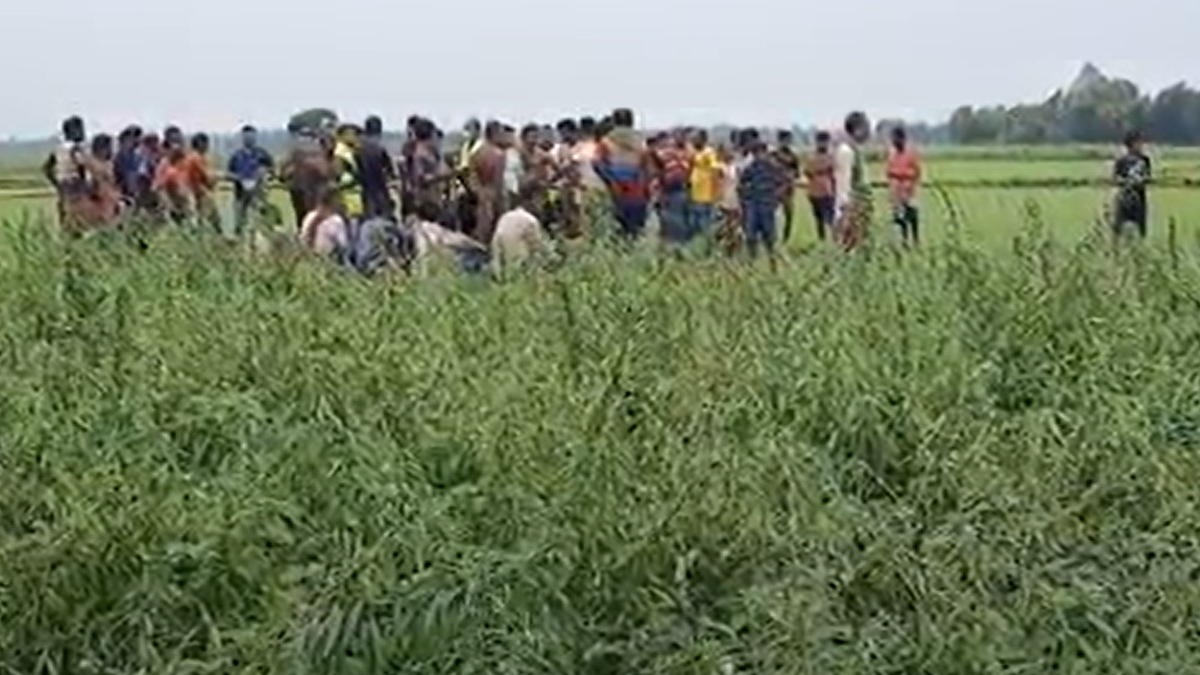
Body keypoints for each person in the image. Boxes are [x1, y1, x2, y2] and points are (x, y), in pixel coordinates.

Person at [595, 107, 655, 241]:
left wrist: (612, 181)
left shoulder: (606, 142)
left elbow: (598, 164)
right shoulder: (641, 142)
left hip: (614, 193)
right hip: (637, 192)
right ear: (632, 122)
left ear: (614, 122)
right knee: (636, 232)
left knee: (617, 232)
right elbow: (648, 169)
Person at [493, 183, 554, 275]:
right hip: (522, 271)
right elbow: (540, 252)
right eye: (542, 199)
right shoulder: (530, 221)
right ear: (535, 198)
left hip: (503, 271)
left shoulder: (505, 217)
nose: (543, 204)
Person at [738, 139, 783, 262]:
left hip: (767, 205)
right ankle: (752, 261)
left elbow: (783, 183)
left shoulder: (773, 167)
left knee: (769, 237)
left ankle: (772, 262)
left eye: (761, 152)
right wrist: (745, 199)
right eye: (756, 153)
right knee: (751, 236)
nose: (759, 156)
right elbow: (741, 185)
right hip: (753, 205)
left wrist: (776, 198)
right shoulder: (750, 168)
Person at [42, 115, 89, 234]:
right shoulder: (77, 149)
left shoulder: (58, 149)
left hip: (64, 189)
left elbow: (46, 169)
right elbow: (82, 167)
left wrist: (57, 184)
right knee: (79, 224)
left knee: (66, 223)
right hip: (76, 189)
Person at [833, 111, 872, 250]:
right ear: (858, 129)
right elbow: (844, 184)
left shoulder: (856, 150)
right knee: (849, 246)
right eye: (867, 127)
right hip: (851, 209)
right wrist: (846, 213)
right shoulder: (846, 151)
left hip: (859, 207)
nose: (869, 132)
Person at [227, 125, 274, 235]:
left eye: (251, 136)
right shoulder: (236, 156)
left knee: (260, 217)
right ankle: (239, 237)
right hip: (240, 193)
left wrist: (263, 174)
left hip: (258, 192)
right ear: (242, 138)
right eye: (246, 136)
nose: (249, 138)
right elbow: (229, 173)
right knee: (240, 219)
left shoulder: (262, 154)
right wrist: (238, 178)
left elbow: (272, 170)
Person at [468, 120, 508, 245]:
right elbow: (498, 181)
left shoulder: (477, 152)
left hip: (480, 193)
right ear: (495, 134)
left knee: (481, 228)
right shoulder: (498, 155)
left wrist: (478, 192)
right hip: (493, 193)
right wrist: (501, 200)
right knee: (494, 229)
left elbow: (471, 177)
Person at [652, 133, 692, 246]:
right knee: (674, 223)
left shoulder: (673, 156)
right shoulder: (682, 157)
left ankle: (675, 247)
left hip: (673, 192)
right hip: (673, 192)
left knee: (674, 224)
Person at [1112, 129, 1151, 240]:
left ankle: (1140, 245)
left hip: (1139, 196)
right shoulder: (1122, 160)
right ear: (1131, 143)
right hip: (1124, 196)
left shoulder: (1144, 160)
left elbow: (1147, 175)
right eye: (1138, 142)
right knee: (1119, 225)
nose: (1141, 145)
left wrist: (1142, 180)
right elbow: (1116, 177)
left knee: (1141, 225)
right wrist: (1124, 181)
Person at [885, 126, 922, 246]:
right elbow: (888, 171)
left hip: (909, 187)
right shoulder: (892, 154)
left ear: (903, 139)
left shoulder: (911, 153)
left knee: (912, 214)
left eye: (896, 139)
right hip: (897, 189)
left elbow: (917, 171)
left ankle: (915, 239)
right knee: (900, 216)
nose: (894, 142)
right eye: (893, 139)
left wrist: (910, 183)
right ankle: (904, 239)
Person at [358, 115, 399, 220]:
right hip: (378, 193)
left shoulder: (356, 147)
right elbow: (390, 173)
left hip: (359, 193)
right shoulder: (379, 149)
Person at [802, 131, 836, 241]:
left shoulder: (831, 157)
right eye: (821, 142)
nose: (823, 144)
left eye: (825, 142)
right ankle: (822, 239)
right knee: (818, 218)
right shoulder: (811, 157)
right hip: (814, 192)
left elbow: (833, 174)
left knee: (830, 217)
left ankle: (833, 238)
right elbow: (807, 172)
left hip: (827, 191)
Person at [688, 129, 721, 241]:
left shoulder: (709, 152)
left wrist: (715, 193)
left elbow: (715, 171)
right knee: (694, 224)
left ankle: (707, 245)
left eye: (695, 139)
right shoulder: (695, 152)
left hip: (705, 195)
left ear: (703, 139)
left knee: (704, 224)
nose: (693, 141)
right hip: (695, 194)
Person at [185, 133, 220, 232]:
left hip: (197, 189)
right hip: (198, 189)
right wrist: (221, 176)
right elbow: (207, 175)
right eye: (205, 143)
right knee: (210, 213)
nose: (207, 146)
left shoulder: (196, 157)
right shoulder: (196, 157)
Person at [772, 130, 801, 242]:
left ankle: (785, 238)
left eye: (788, 140)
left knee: (789, 215)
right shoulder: (773, 155)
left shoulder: (793, 156)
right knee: (774, 215)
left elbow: (797, 173)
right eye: (785, 140)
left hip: (788, 189)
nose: (787, 143)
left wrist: (791, 176)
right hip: (775, 188)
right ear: (780, 141)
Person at [331, 123, 364, 221]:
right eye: (352, 134)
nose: (356, 137)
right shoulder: (340, 153)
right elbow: (338, 176)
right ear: (343, 136)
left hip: (354, 198)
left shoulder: (350, 151)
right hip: (347, 199)